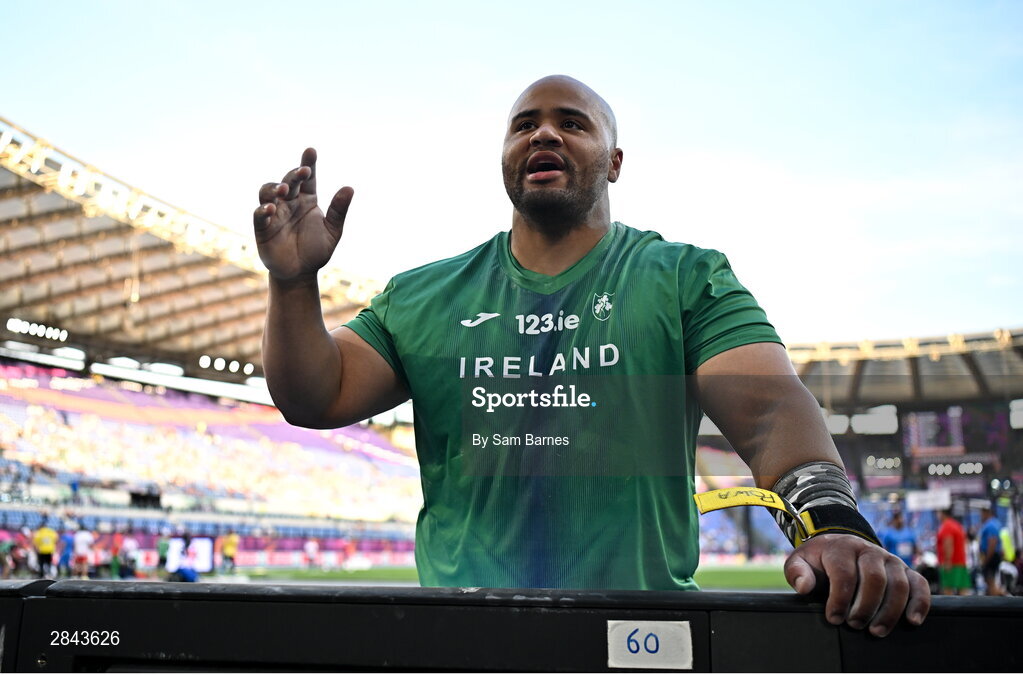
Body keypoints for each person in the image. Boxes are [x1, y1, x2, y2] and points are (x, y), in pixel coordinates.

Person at [253, 74, 930, 637]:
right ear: (504, 159)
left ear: (614, 162)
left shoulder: (683, 276)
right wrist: (291, 283)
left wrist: (833, 522)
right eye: (523, 125)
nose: (542, 133)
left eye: (571, 122)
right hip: (464, 642)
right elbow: (316, 394)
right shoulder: (424, 294)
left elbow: (768, 408)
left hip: (642, 642)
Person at [936, 508, 970, 595]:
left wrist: (947, 561)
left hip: (951, 564)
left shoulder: (946, 526)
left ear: (942, 513)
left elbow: (948, 543)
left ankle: (949, 609)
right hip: (961, 562)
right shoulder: (956, 525)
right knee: (963, 591)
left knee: (948, 592)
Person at [978, 504, 1005, 596]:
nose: (981, 516)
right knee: (990, 580)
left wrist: (987, 559)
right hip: (994, 555)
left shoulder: (991, 525)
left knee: (990, 580)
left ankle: (997, 598)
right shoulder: (995, 523)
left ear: (986, 513)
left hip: (991, 555)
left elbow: (992, 542)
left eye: (982, 513)